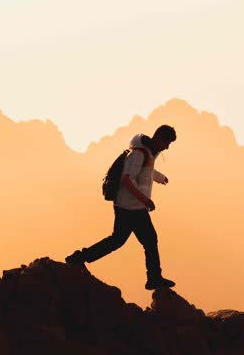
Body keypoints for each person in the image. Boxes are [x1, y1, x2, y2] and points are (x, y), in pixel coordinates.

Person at [67, 124, 177, 289]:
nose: (167, 147)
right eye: (167, 143)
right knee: (149, 240)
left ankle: (79, 258)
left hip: (131, 206)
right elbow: (127, 179)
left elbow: (146, 171)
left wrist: (159, 177)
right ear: (159, 138)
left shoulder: (148, 153)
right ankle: (154, 278)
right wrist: (145, 200)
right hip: (130, 207)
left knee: (118, 240)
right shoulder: (138, 153)